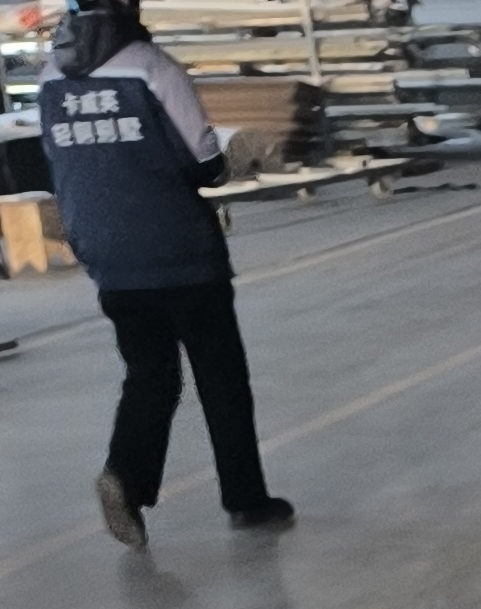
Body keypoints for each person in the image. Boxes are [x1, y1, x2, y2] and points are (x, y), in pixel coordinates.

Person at [36, 0, 291, 547]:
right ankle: (246, 498)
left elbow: (56, 160)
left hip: (107, 253)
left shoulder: (52, 74)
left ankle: (125, 476)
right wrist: (232, 158)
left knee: (150, 374)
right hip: (178, 248)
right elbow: (205, 162)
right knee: (220, 377)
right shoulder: (151, 66)